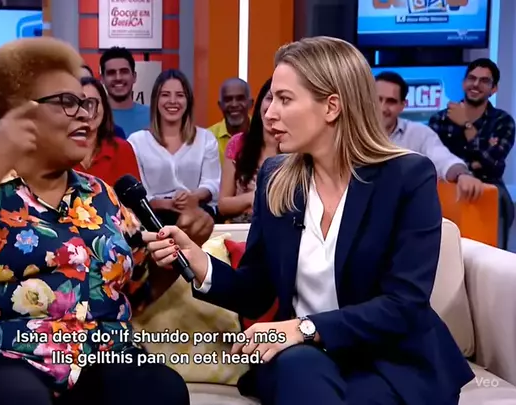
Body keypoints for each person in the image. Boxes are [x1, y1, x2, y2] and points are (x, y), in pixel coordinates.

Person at [144, 36, 474, 405]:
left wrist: (305, 328)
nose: (269, 113)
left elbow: (404, 304)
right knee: (300, 368)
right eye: (271, 99)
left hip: (388, 359)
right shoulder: (276, 177)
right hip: (303, 359)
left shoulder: (407, 177)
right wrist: (201, 264)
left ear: (331, 106)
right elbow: (257, 290)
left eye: (284, 99)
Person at [0, 37, 189, 405]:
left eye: (87, 103)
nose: (84, 114)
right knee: (19, 397)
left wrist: (170, 260)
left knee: (161, 390)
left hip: (89, 357)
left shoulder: (103, 196)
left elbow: (131, 294)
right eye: (67, 102)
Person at [428, 58, 515, 248]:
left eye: (484, 81)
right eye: (472, 78)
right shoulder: (440, 119)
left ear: (494, 89)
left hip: (490, 188)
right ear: (463, 83)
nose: (476, 84)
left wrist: (466, 125)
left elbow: (492, 164)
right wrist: (474, 163)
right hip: (447, 187)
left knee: (495, 199)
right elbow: (433, 161)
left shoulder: (503, 121)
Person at [128, 69, 221, 225]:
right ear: (156, 100)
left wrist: (193, 197)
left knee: (196, 219)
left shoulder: (206, 139)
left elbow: (212, 184)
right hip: (153, 215)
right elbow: (139, 193)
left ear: (188, 100)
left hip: (196, 211)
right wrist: (165, 204)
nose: (173, 101)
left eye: (180, 95)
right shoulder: (136, 142)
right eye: (165, 95)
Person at [374, 71, 483, 201]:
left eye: (391, 101)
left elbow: (443, 158)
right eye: (378, 99)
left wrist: (462, 175)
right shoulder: (352, 131)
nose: (382, 108)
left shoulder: (419, 133)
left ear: (402, 105)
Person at [218, 78, 279, 223]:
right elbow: (223, 205)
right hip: (240, 229)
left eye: (283, 100)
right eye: (269, 98)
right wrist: (253, 198)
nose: (273, 107)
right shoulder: (238, 143)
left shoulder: (298, 148)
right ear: (259, 103)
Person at [74, 76, 140, 186]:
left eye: (93, 102)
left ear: (104, 106)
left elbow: (133, 196)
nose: (88, 111)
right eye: (81, 103)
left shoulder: (122, 149)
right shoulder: (58, 153)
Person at [99, 47, 150, 138]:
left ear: (134, 76)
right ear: (102, 79)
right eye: (111, 73)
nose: (118, 78)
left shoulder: (153, 116)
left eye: (124, 72)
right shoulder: (95, 117)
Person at [208, 78, 253, 164]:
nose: (234, 104)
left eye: (240, 99)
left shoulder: (263, 133)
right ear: (220, 105)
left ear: (250, 103)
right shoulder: (208, 138)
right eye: (228, 99)